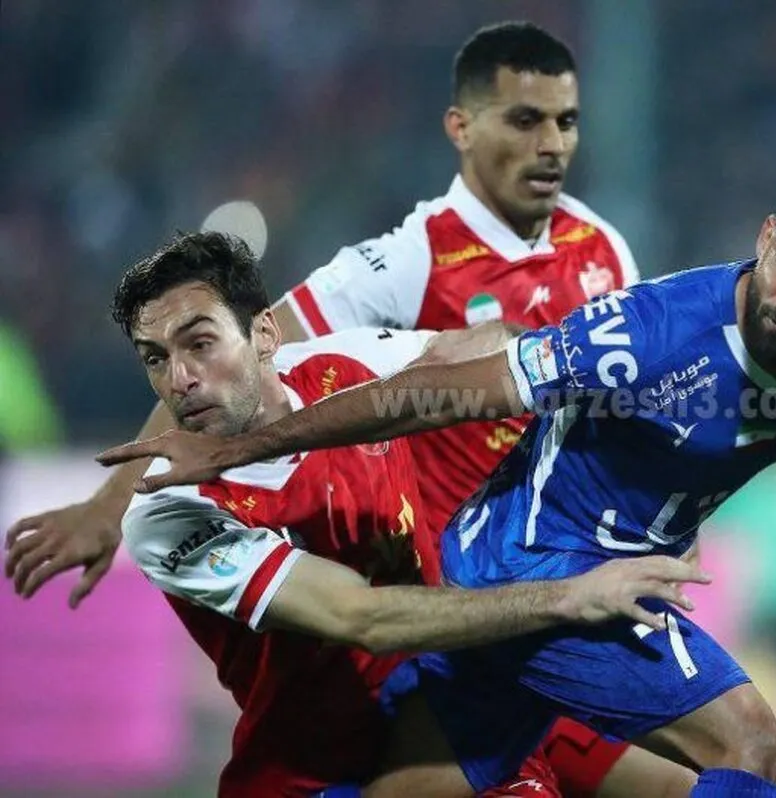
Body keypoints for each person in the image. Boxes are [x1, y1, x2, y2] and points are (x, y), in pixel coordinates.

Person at [101, 166, 776, 798]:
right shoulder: (651, 335)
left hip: (579, 571)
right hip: (540, 564)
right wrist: (232, 450)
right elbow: (441, 397)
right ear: (765, 238)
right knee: (754, 749)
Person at [5, 21, 681, 797]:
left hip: (507, 607)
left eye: (565, 121)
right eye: (525, 120)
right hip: (428, 634)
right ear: (461, 127)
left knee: (723, 760)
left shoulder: (603, 251)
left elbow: (531, 374)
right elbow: (227, 382)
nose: (551, 144)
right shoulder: (406, 259)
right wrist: (109, 505)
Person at [103, 230, 706, 797]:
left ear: (263, 333)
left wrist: (639, 444)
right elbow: (361, 617)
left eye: (200, 344)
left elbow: (486, 349)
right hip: (321, 771)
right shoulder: (167, 513)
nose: (180, 379)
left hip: (453, 701)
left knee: (699, 774)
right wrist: (571, 596)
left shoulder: (344, 371)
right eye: (155, 358)